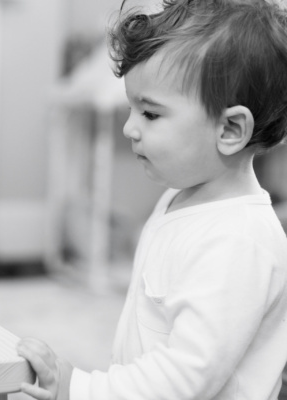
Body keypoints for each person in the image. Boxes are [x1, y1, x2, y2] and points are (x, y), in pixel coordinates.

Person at [17, 0, 287, 398]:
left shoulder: (238, 241)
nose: (129, 128)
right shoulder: (178, 200)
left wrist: (81, 388)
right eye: (131, 108)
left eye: (151, 115)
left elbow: (185, 378)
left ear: (230, 129)